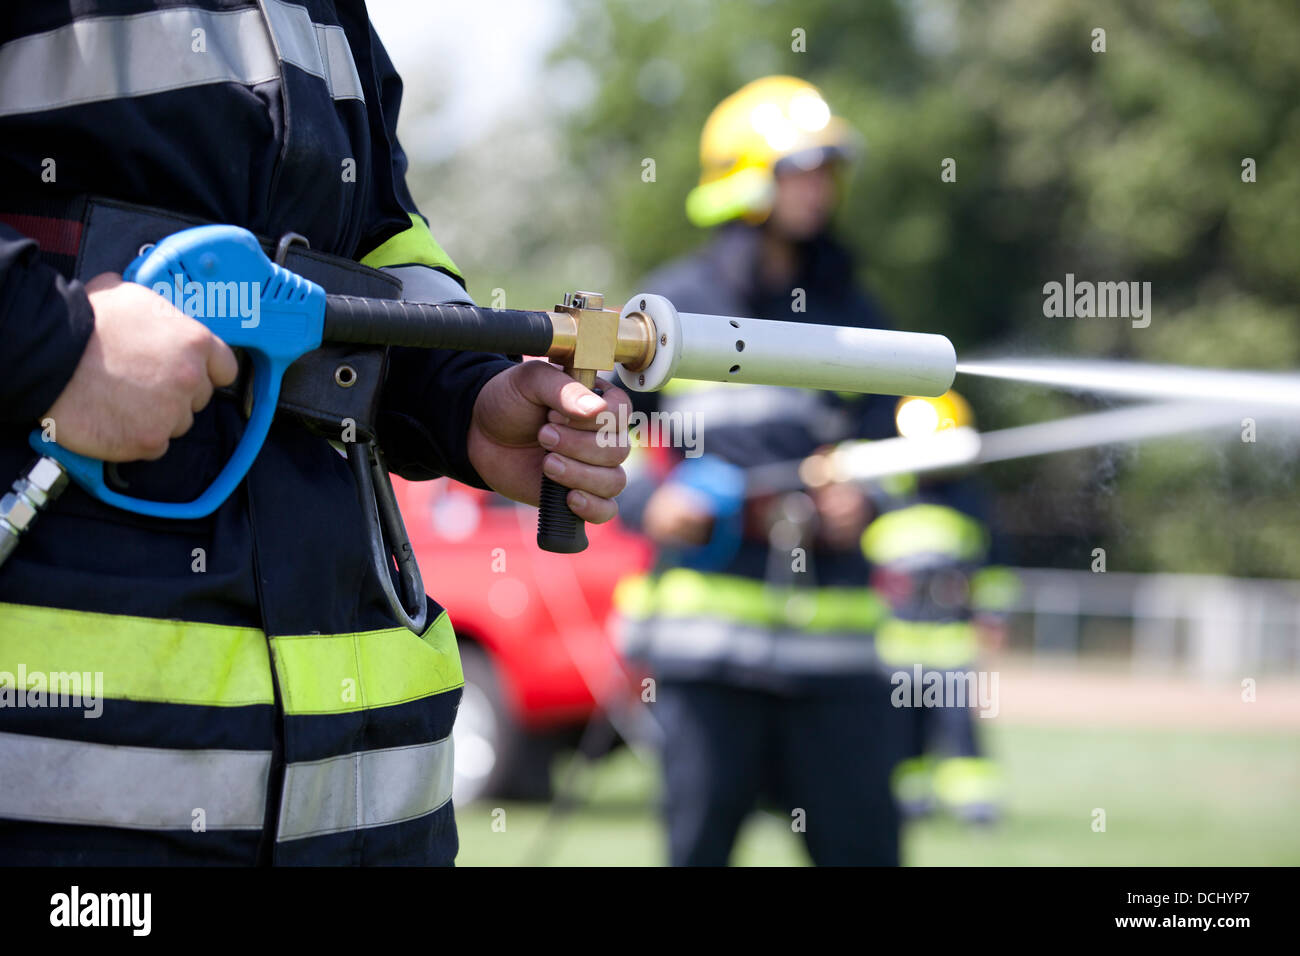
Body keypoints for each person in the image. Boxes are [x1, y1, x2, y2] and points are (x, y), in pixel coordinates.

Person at [0, 1, 629, 865]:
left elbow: (380, 236)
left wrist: (465, 399)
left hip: (368, 799)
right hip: (68, 797)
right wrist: (50, 343)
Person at [614, 76, 903, 866]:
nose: (822, 188)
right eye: (802, 168)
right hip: (707, 656)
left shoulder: (857, 314)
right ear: (747, 176)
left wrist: (866, 497)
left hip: (834, 660)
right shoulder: (671, 310)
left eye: (829, 169)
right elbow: (604, 425)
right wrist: (652, 502)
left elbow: (896, 447)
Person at [860, 391, 1019, 823]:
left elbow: (994, 566)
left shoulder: (970, 500)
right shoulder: (881, 491)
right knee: (900, 729)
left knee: (957, 725)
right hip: (895, 637)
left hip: (950, 637)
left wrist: (994, 614)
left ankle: (975, 804)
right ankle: (910, 801)